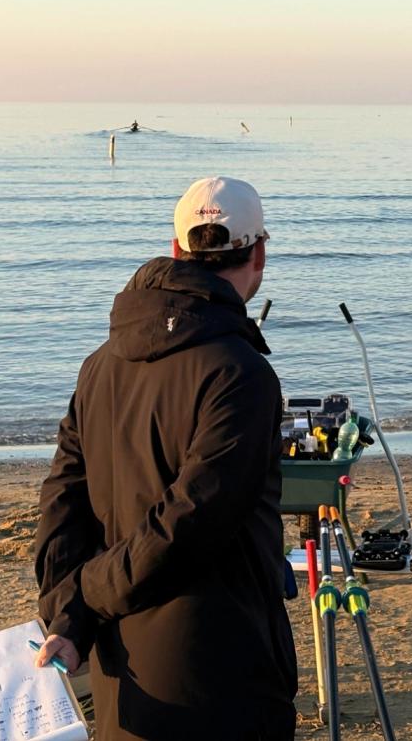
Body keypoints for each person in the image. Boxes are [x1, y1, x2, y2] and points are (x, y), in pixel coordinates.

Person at [33, 176, 297, 740]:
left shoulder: (101, 364)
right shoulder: (241, 374)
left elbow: (61, 500)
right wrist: (81, 600)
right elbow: (190, 523)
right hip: (224, 670)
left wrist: (69, 611)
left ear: (177, 249)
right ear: (259, 254)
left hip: (119, 668)